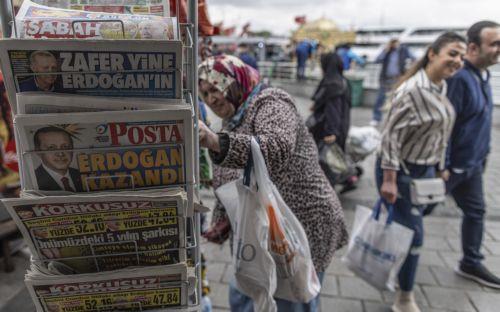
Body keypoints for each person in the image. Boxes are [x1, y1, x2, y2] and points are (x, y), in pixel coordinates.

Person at [197, 55, 348, 311]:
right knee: (247, 293)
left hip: (303, 223)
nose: (211, 99)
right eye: (205, 94)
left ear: (233, 82)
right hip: (263, 231)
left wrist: (215, 142)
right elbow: (228, 176)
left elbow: (276, 148)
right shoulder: (232, 119)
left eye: (215, 88)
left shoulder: (270, 102)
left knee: (293, 298)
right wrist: (222, 221)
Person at [376, 32, 466, 312]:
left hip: (426, 171)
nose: (458, 61)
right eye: (452, 53)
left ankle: (397, 268)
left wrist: (440, 167)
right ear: (432, 54)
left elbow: (439, 132)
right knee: (416, 235)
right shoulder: (413, 90)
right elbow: (389, 137)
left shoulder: (441, 87)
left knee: (411, 227)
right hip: (401, 171)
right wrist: (389, 180)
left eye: (462, 56)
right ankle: (405, 297)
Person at [438, 21, 500, 288]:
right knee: (416, 211)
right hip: (453, 168)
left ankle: (470, 262)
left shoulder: (483, 76)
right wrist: (445, 165)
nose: (499, 49)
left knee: (476, 212)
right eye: (495, 44)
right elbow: (445, 124)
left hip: (473, 165)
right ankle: (385, 252)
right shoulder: (460, 78)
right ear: (473, 48)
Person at [308, 52, 353, 189]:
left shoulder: (332, 83)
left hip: (329, 128)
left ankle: (333, 185)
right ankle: (348, 178)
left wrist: (331, 132)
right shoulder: (342, 80)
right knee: (335, 156)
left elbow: (333, 110)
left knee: (327, 159)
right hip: (341, 125)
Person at [371, 39, 415, 125]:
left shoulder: (403, 50)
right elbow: (377, 60)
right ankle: (376, 118)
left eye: (396, 42)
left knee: (398, 99)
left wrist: (409, 71)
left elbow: (414, 58)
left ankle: (394, 119)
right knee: (380, 99)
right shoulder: (387, 51)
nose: (394, 44)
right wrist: (385, 50)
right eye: (393, 42)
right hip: (385, 79)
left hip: (398, 79)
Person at [34, 126, 83, 192]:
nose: (60, 154)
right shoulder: (32, 179)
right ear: (38, 151)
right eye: (51, 148)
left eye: (65, 147)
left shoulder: (82, 175)